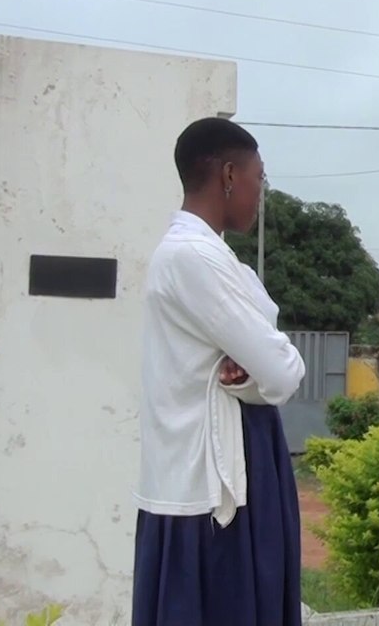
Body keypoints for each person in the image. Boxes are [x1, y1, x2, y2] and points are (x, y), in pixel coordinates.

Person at [132, 117, 307, 626]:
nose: (260, 191)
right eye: (259, 177)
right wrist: (260, 370)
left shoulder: (215, 259)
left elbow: (265, 347)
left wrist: (251, 372)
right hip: (208, 491)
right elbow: (284, 369)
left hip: (229, 471)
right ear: (229, 175)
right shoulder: (195, 258)